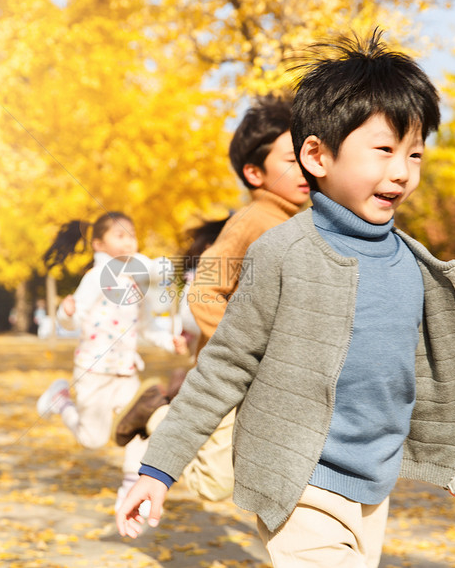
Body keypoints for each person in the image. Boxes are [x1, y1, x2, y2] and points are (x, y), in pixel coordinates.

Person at [116, 30, 455, 567]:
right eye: (384, 150)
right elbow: (224, 364)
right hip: (297, 480)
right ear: (317, 155)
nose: (401, 171)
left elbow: (416, 379)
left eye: (415, 154)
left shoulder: (414, 266)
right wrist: (158, 471)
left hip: (373, 485)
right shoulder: (282, 249)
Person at [112, 93, 310, 502]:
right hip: (228, 375)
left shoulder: (300, 222)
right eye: (290, 161)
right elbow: (204, 290)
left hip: (268, 380)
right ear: (255, 173)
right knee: (212, 485)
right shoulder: (254, 222)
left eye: (308, 156)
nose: (304, 169)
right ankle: (159, 412)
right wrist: (240, 351)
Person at [37, 211, 187, 513]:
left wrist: (168, 341)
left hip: (126, 372)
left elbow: (146, 327)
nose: (129, 240)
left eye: (131, 234)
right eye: (120, 235)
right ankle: (60, 398)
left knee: (139, 426)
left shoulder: (138, 283)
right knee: (92, 440)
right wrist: (66, 311)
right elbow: (72, 321)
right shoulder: (94, 279)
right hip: (93, 370)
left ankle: (131, 487)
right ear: (99, 244)